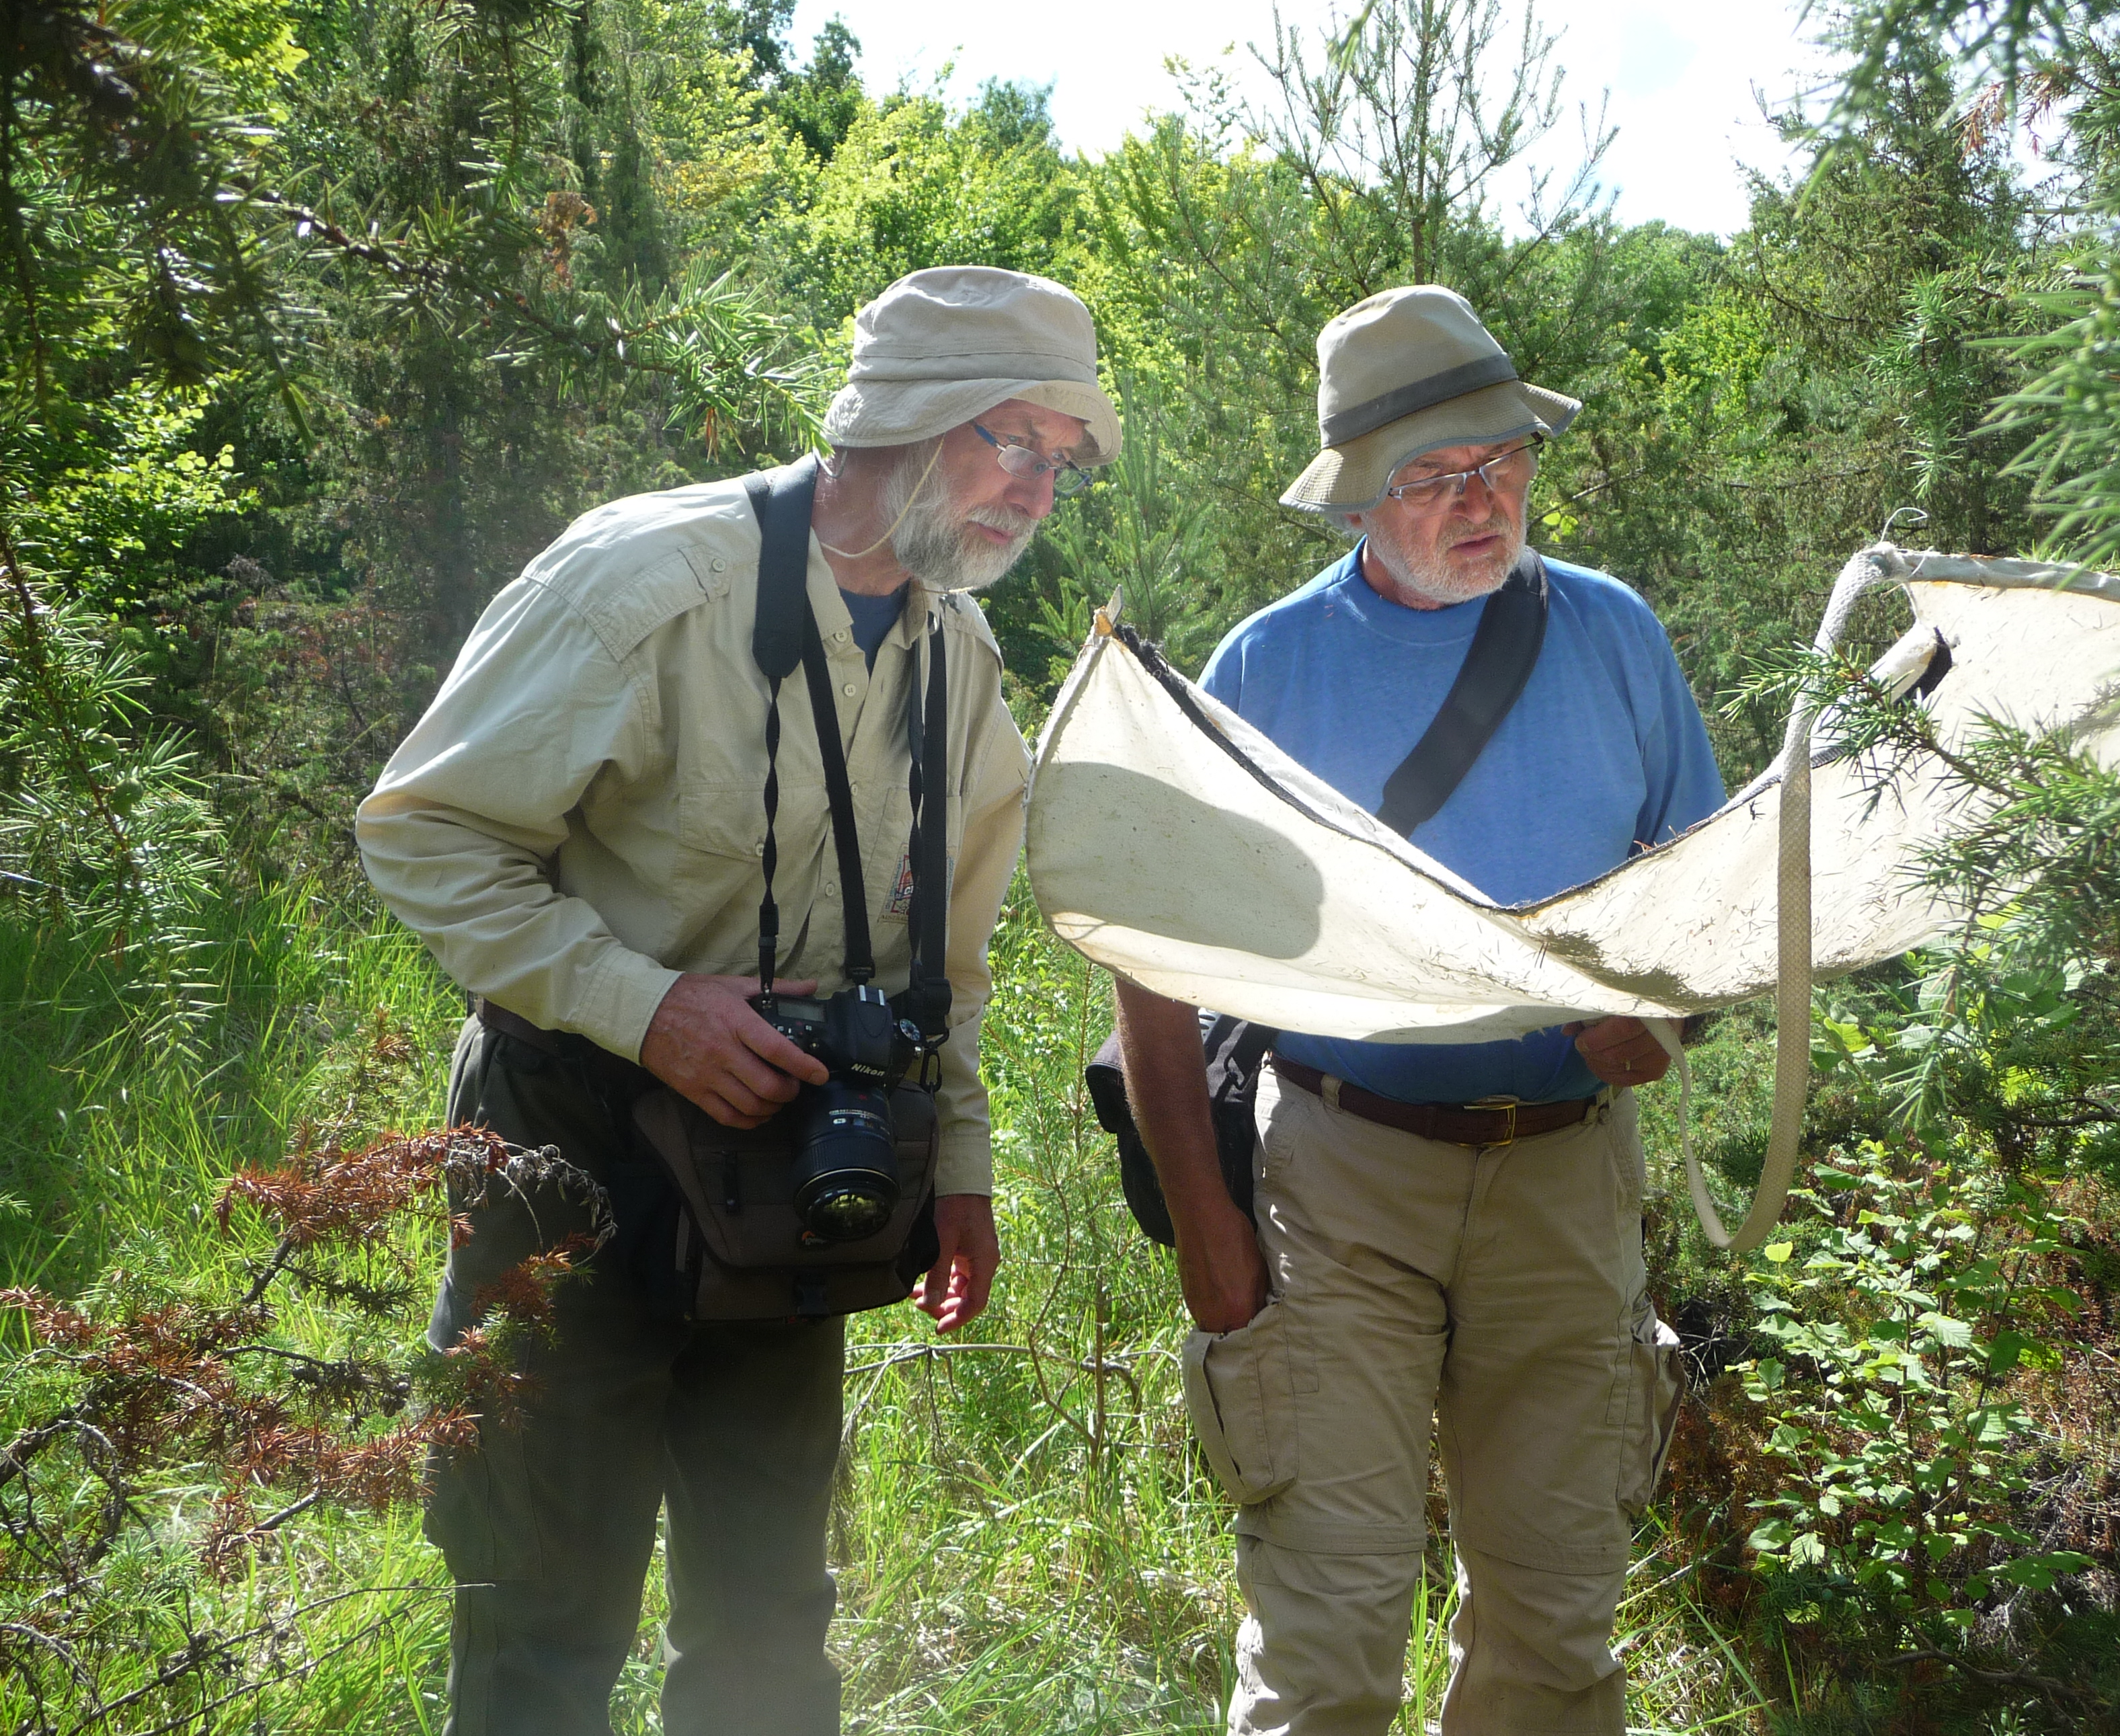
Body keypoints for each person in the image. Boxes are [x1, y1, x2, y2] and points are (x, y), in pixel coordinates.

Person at [355, 266, 1120, 1736]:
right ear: (898, 423)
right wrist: (645, 1007)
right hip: (569, 1149)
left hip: (797, 1171)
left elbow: (946, 971)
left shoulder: (958, 666)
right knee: (538, 1614)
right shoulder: (650, 583)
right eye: (1005, 439)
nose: (1030, 488)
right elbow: (424, 834)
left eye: (1056, 460)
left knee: (770, 1625)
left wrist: (953, 1170)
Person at [1112, 284, 1722, 1736]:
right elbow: (1147, 955)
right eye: (1434, 477)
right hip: (1339, 1177)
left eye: (1502, 461)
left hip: (1570, 1183)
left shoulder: (1616, 637)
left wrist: (1673, 1026)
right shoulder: (1267, 669)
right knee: (1326, 1654)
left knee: (1556, 1648)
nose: (1480, 498)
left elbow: (1712, 905)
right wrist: (1209, 1231)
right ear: (1356, 504)